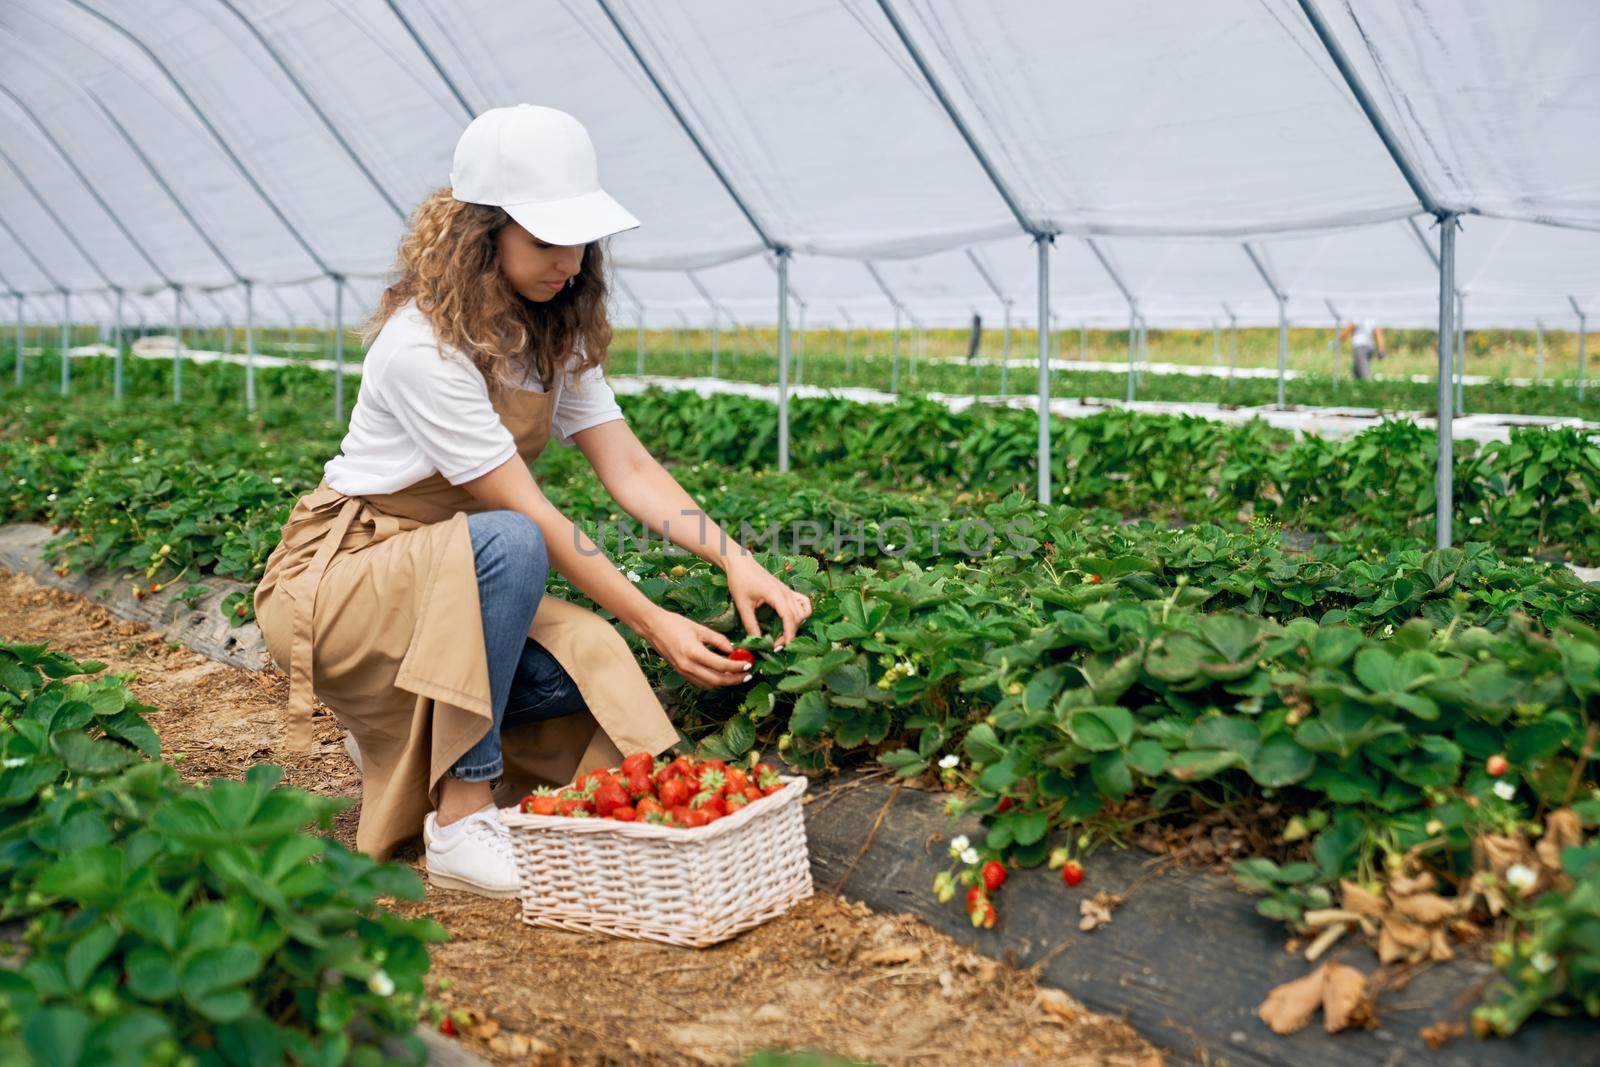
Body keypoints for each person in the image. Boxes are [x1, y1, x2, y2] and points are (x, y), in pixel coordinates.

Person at [254, 105, 813, 899]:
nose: (572, 262)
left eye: (580, 239)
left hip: (452, 577)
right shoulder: (424, 347)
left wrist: (734, 557)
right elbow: (531, 521)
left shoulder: (548, 332)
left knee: (593, 663)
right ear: (482, 236)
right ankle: (460, 817)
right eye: (547, 241)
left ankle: (403, 732)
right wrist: (656, 618)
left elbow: (629, 467)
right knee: (513, 541)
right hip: (343, 582)